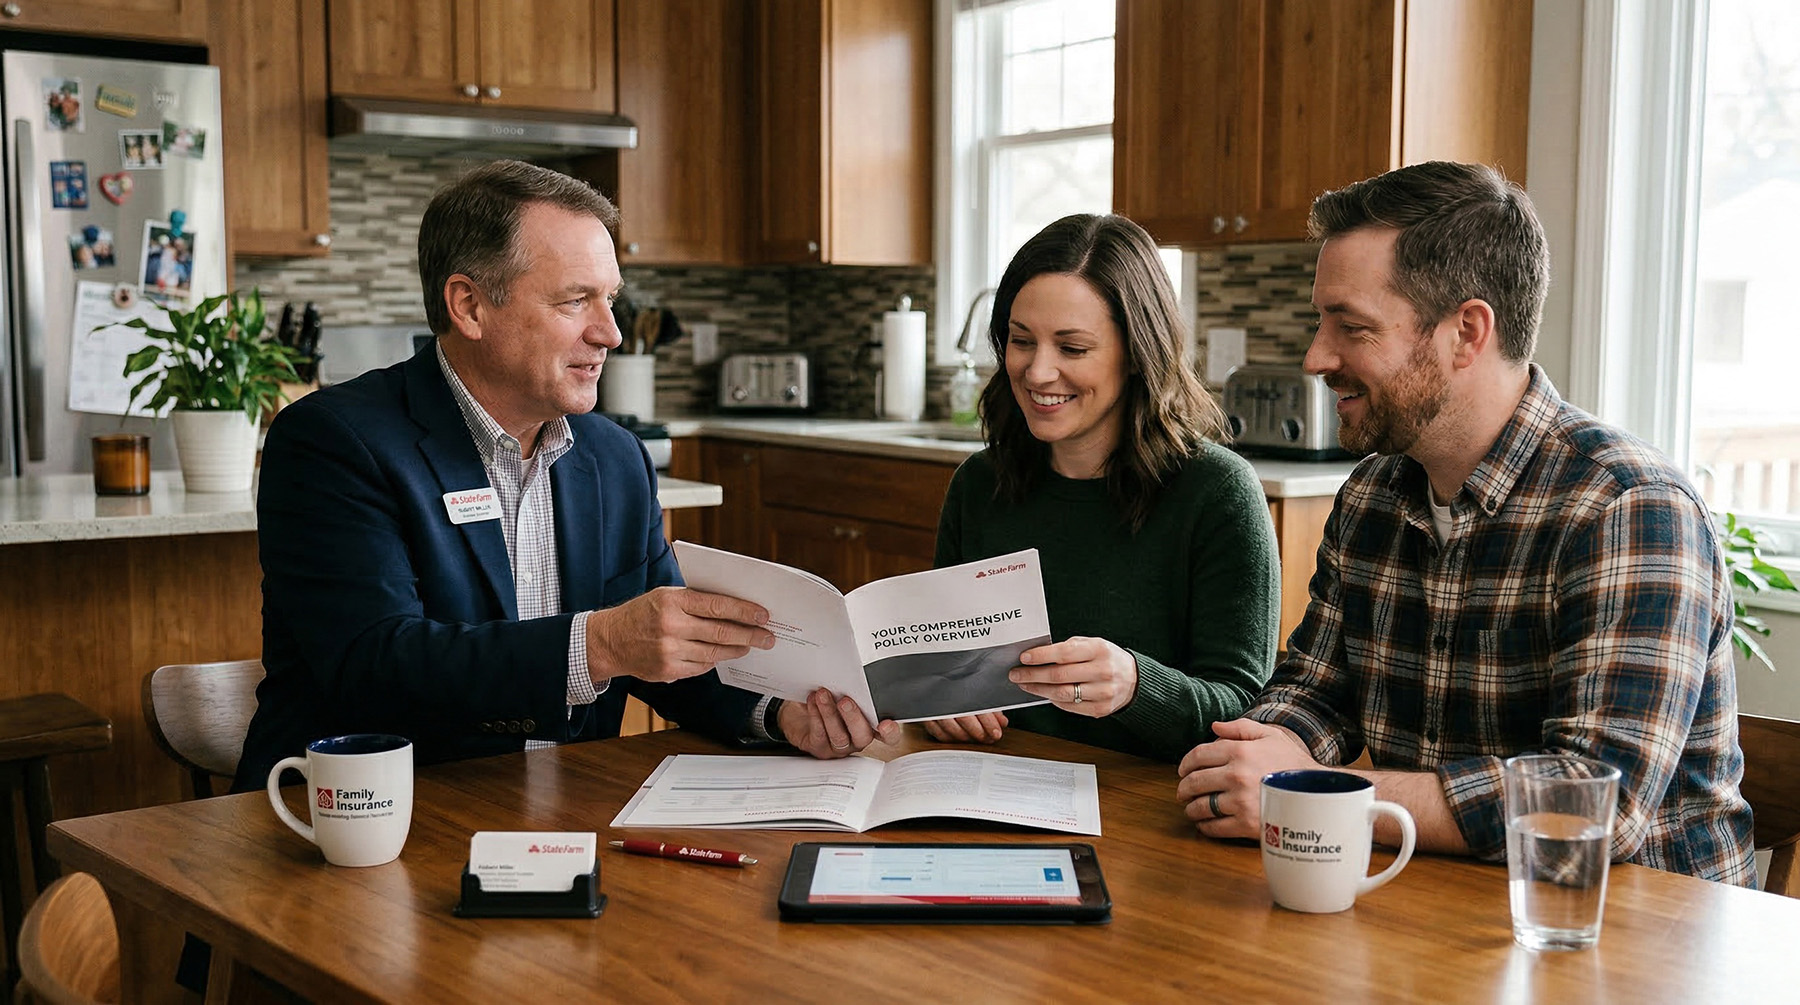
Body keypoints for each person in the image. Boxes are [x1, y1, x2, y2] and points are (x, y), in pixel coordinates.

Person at [1175, 161, 1755, 885]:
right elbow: (1317, 686)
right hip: (1440, 906)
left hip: (1639, 944)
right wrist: (1263, 747)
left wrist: (1322, 795)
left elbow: (1593, 803)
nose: (1316, 356)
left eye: (1350, 326)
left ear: (1466, 332)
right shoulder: (1372, 494)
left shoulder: (1628, 507)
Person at [234, 160, 895, 792]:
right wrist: (600, 642)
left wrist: (779, 714)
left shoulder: (615, 457)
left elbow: (666, 658)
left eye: (609, 299)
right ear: (468, 305)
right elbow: (375, 666)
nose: (609, 332)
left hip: (563, 816)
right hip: (364, 824)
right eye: (576, 300)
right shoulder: (332, 441)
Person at [928, 213, 1281, 762]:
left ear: (1138, 355)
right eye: (1022, 341)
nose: (1038, 371)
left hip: (1149, 806)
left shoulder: (1217, 492)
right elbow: (944, 664)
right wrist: (942, 702)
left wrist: (1138, 686)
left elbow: (1245, 711)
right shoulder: (979, 485)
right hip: (989, 783)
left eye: (1072, 349)